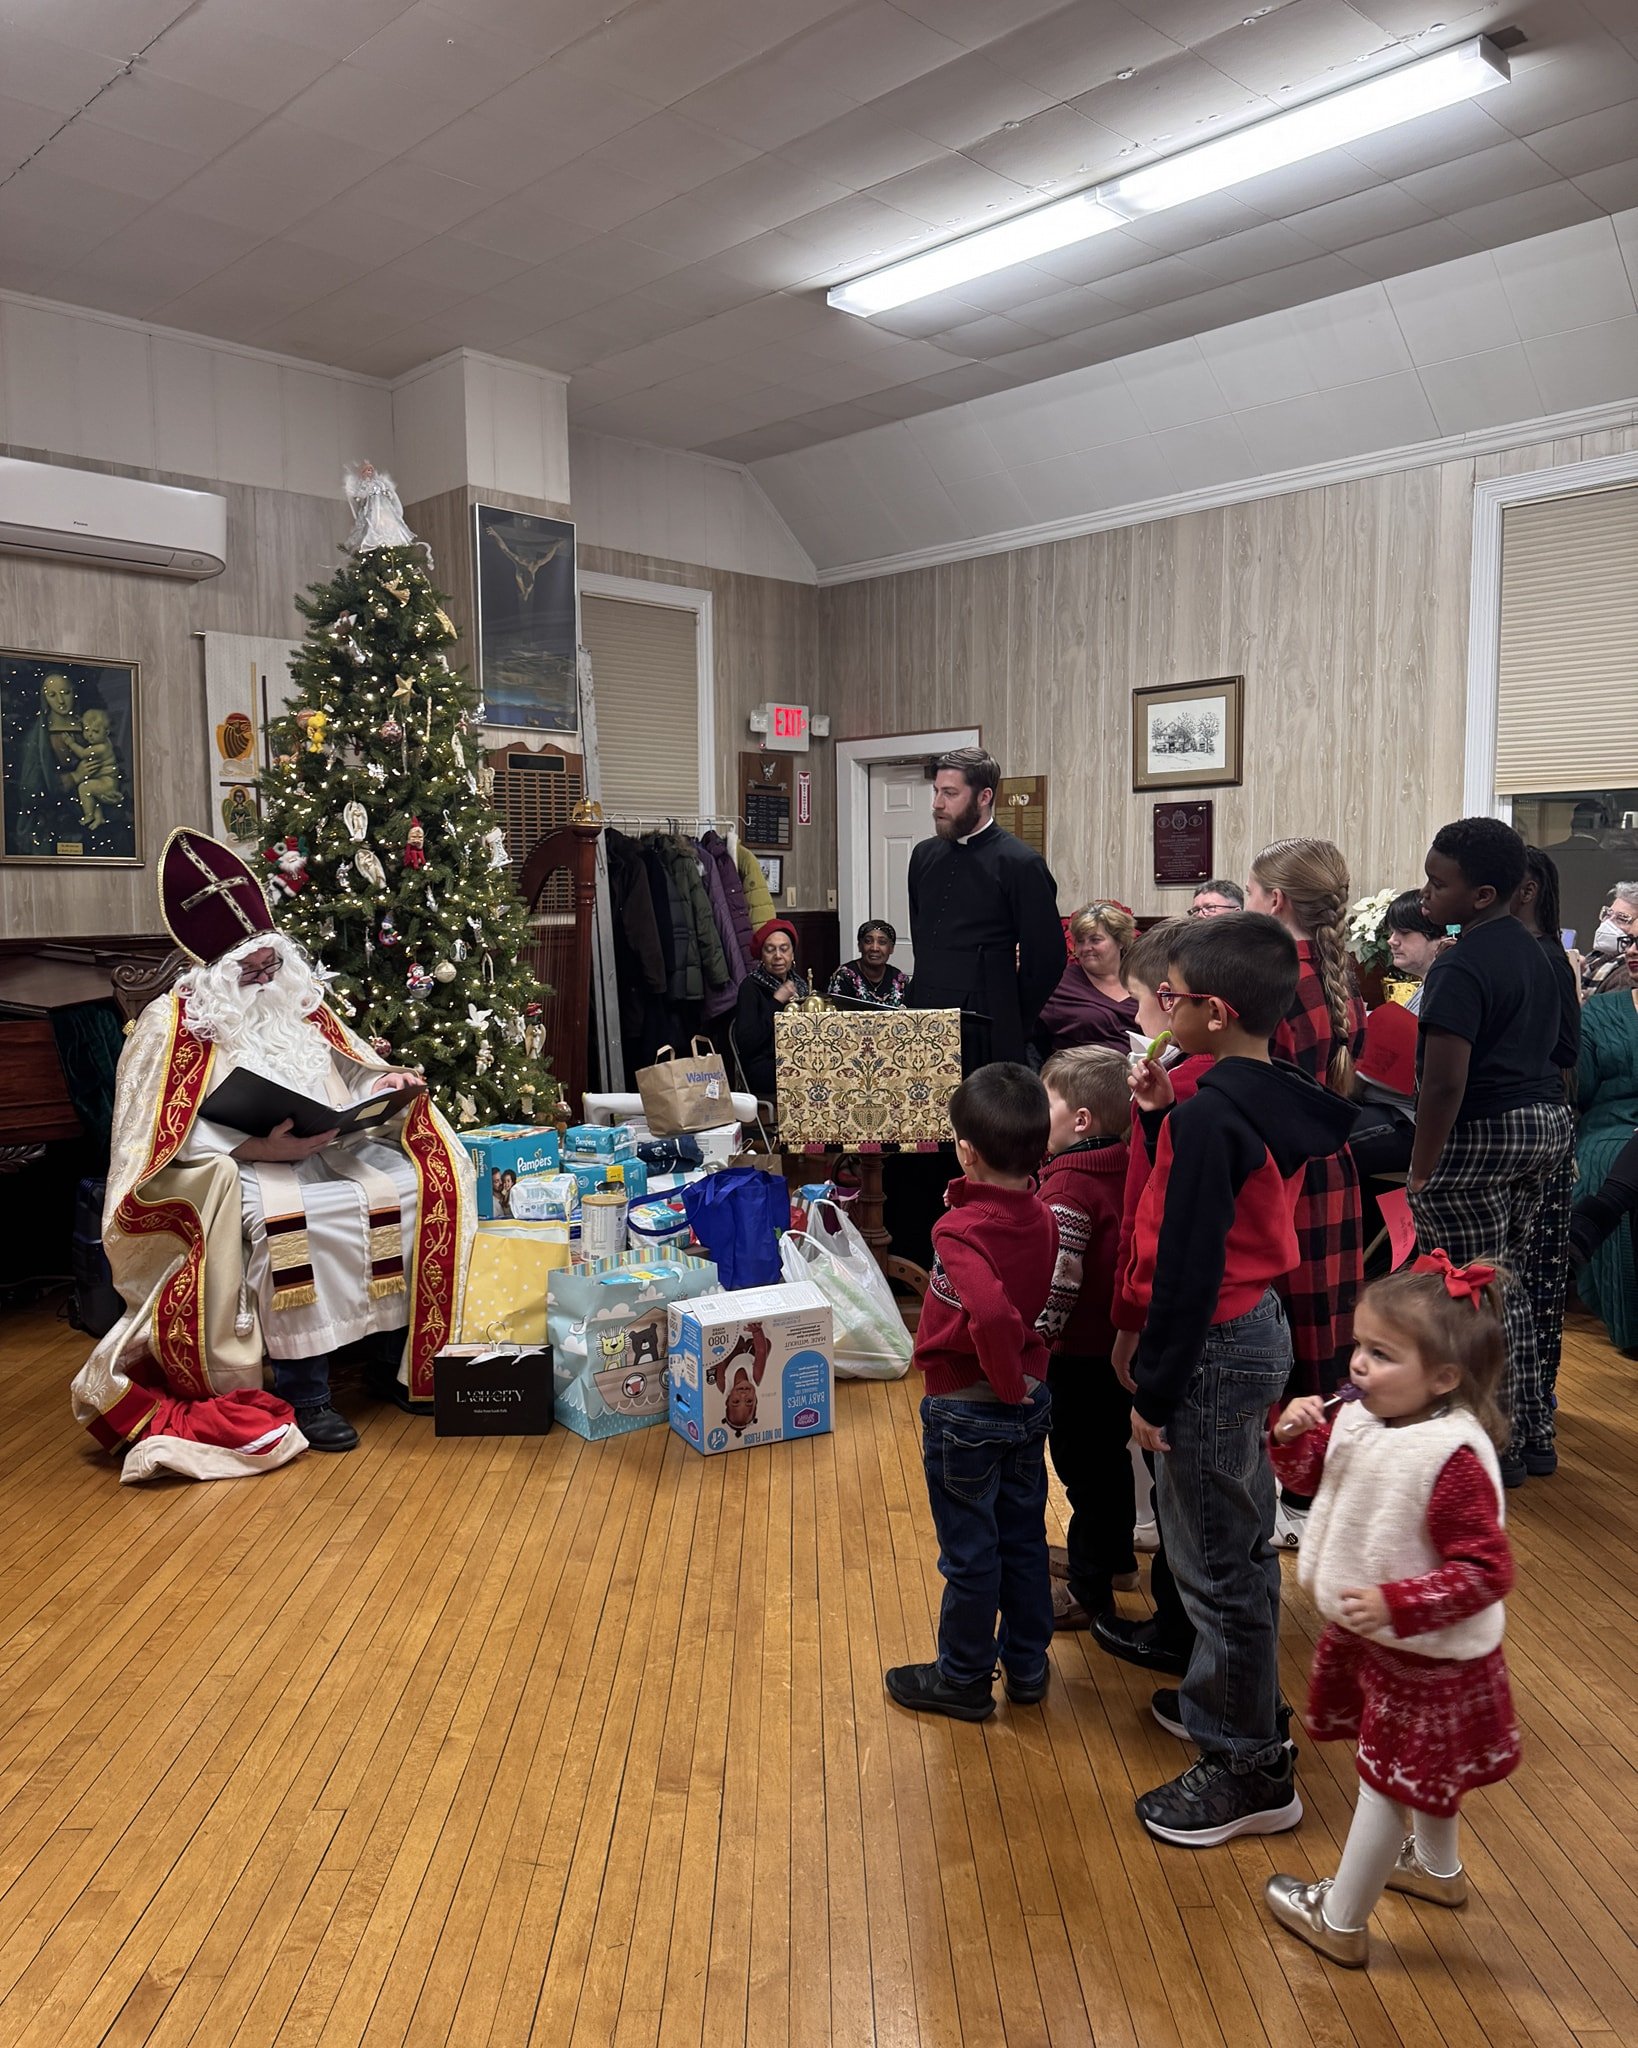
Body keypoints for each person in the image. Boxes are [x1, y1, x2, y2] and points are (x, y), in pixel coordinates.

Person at [71, 829, 476, 1480]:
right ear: (215, 974)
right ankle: (305, 1391)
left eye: (271, 964)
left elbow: (348, 1070)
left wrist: (384, 1083)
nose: (265, 979)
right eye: (251, 971)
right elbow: (152, 1136)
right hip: (233, 1168)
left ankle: (390, 1361)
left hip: (326, 1149)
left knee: (418, 1185)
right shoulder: (172, 1025)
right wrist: (258, 1146)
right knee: (295, 1224)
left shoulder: (299, 1003)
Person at [1123, 914, 1356, 1845]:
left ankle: (1248, 1763)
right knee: (1228, 1539)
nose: (1160, 1008)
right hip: (1245, 1327)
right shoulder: (1255, 1090)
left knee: (1219, 1561)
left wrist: (1152, 1390)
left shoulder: (1213, 1114)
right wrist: (1156, 1117)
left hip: (1211, 1343)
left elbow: (1186, 1262)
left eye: (1168, 997)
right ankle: (1226, 1699)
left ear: (1213, 1013)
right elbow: (1203, 1210)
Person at [1263, 1258, 1518, 1969]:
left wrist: (1397, 1602)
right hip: (1385, 1641)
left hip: (1427, 1656)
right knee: (1417, 1772)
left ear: (1443, 1378)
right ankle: (1437, 1869)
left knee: (1383, 1781)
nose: (1359, 1365)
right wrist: (1291, 1437)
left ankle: (1340, 1921)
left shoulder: (1452, 1457)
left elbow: (1487, 1571)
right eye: (1359, 1346)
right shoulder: (1360, 1414)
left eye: (1382, 1353)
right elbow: (1313, 1476)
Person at [884, 1063, 1058, 1721]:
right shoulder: (1041, 1215)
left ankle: (961, 1678)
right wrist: (1018, 1382)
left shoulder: (957, 1230)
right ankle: (1027, 1665)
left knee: (971, 1552)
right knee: (1022, 1540)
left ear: (966, 1150)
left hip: (970, 1405)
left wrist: (1004, 1380)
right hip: (1027, 1400)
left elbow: (988, 1313)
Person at [1410, 816, 1574, 1488]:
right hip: (1544, 1128)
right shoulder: (1537, 952)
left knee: (1467, 1297)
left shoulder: (1462, 963)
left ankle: (1489, 1447)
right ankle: (1531, 1436)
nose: (1426, 893)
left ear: (1480, 895)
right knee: (1507, 1288)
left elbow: (1445, 1081)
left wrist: (1421, 1167)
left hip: (1481, 1134)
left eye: (1437, 882)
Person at [1097, 919, 1211, 1683]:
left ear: (1171, 1001)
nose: (1133, 1016)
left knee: (1185, 1493)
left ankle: (1184, 1637)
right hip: (1195, 1314)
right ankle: (1180, 1626)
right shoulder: (1186, 1080)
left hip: (1176, 1319)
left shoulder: (1191, 1092)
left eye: (1138, 1001)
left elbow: (1156, 1214)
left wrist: (1129, 1319)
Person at [1247, 838, 1367, 1548]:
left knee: (1280, 1329)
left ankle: (1290, 1489)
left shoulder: (1275, 978)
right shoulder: (1336, 968)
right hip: (1331, 1168)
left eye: (1251, 892)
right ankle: (1311, 1486)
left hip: (1285, 1172)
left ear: (1275, 900)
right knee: (1324, 1328)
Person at [1036, 1045, 1133, 1631]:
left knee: (1082, 1467)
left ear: (1080, 1119)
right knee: (1108, 1459)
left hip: (1077, 1352)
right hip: (1115, 1343)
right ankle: (1116, 1560)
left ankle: (1089, 1590)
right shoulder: (1124, 1164)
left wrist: (1034, 1343)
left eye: (1045, 1101)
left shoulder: (1069, 1186)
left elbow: (1059, 1280)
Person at [906, 747, 1064, 1070]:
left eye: (950, 793)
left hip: (988, 1020)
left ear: (984, 796)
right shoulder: (923, 856)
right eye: (936, 791)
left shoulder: (1020, 863)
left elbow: (1046, 960)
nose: (937, 804)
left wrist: (1011, 1016)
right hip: (922, 1013)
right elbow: (920, 935)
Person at [1512, 846, 1581, 1419]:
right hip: (1537, 1118)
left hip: (1538, 1119)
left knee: (1536, 1267)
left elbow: (1566, 1048)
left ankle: (1534, 1395)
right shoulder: (1522, 952)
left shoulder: (1546, 957)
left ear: (1528, 889)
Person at [1569, 981, 1638, 1351]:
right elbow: (1576, 1090)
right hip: (1609, 1124)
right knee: (1609, 1155)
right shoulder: (1600, 1011)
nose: (1632, 953)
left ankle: (1594, 1218)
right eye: (1630, 948)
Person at [1035, 901, 1140, 1055]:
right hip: (1080, 1068)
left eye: (1095, 940)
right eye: (1080, 941)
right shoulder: (1060, 983)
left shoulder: (1143, 981)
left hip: (1142, 1066)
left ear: (1120, 941)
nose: (1086, 948)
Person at [734, 918, 809, 1101]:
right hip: (763, 1065)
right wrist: (776, 1001)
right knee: (810, 1075)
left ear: (792, 954)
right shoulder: (750, 987)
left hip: (797, 1058)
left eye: (784, 949)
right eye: (770, 950)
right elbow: (747, 1043)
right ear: (762, 955)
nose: (778, 956)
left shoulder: (800, 985)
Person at [1384, 890, 1447, 1012]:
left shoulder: (1444, 994)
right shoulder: (1430, 988)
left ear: (1442, 938)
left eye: (1404, 932)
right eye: (1392, 932)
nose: (1391, 941)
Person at [828, 919, 909, 1006]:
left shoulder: (900, 979)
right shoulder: (845, 975)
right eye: (868, 941)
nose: (874, 948)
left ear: (891, 948)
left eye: (882, 942)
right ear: (860, 946)